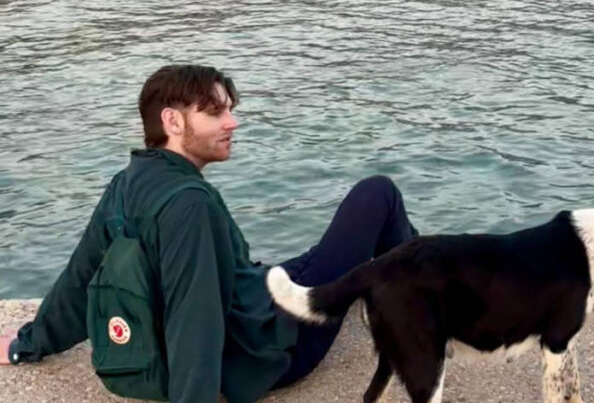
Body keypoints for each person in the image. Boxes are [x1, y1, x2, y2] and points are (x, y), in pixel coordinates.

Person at [0, 65, 416, 402]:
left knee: (312, 259)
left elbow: (82, 275)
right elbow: (193, 315)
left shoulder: (129, 180)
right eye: (215, 112)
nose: (232, 122)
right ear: (173, 121)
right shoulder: (190, 205)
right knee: (376, 195)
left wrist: (29, 343)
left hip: (249, 302)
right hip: (270, 351)